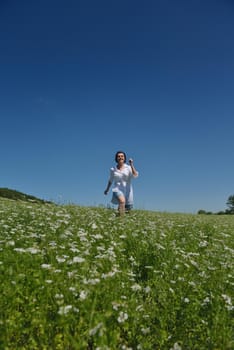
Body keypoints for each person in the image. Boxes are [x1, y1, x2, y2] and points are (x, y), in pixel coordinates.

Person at [104, 151, 139, 215]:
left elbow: (135, 175)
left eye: (122, 156)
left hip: (128, 191)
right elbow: (110, 180)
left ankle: (118, 218)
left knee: (128, 210)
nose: (120, 157)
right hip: (117, 189)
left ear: (124, 158)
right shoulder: (113, 169)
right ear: (116, 158)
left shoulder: (128, 167)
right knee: (122, 201)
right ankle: (122, 220)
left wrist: (131, 165)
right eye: (118, 156)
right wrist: (107, 189)